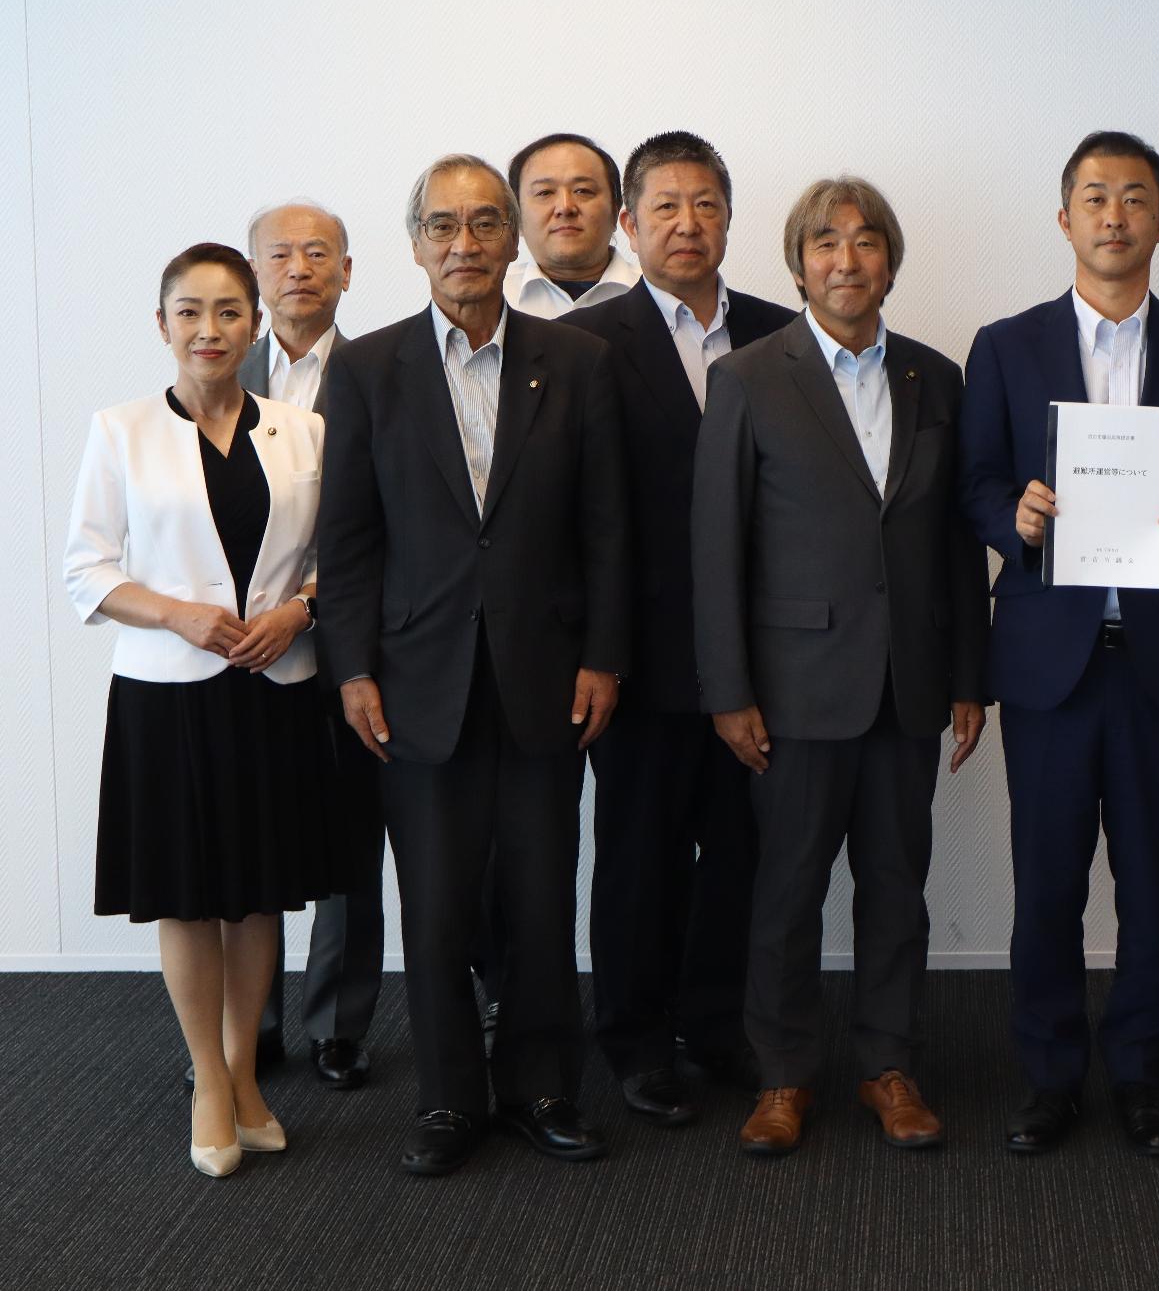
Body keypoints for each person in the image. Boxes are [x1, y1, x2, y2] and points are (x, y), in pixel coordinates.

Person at [317, 153, 632, 1176]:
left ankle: (543, 1088)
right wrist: (352, 671)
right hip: (415, 678)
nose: (465, 244)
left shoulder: (576, 361)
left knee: (541, 896)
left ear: (512, 239)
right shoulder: (367, 369)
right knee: (437, 902)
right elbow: (348, 540)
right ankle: (450, 1099)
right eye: (443, 226)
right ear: (416, 245)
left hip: (548, 672)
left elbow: (607, 528)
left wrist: (604, 655)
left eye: (486, 223)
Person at [958, 131, 1159, 1157]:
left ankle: (1142, 1067)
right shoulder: (1007, 345)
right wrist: (1014, 519)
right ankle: (1049, 1074)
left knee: (1158, 881)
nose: (1114, 215)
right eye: (1094, 196)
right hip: (1052, 662)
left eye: (1135, 198)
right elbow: (975, 481)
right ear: (1064, 218)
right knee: (1046, 881)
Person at [690, 175, 989, 1155]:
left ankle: (887, 1065)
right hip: (793, 689)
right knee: (785, 892)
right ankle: (782, 1074)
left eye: (865, 242)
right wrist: (728, 690)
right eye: (825, 243)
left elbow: (954, 542)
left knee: (897, 887)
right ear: (797, 265)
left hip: (908, 684)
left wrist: (968, 676)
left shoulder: (935, 377)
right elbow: (717, 546)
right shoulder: (747, 377)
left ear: (889, 263)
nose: (846, 260)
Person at [64, 242, 335, 1177]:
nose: (209, 329)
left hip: (272, 686)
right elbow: (86, 569)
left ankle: (247, 1072)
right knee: (185, 892)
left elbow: (336, 557)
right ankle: (209, 1081)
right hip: (166, 696)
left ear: (255, 324)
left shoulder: (303, 431)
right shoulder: (122, 429)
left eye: (228, 312)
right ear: (162, 323)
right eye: (189, 311)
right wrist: (176, 612)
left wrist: (301, 611)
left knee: (256, 891)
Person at [562, 131, 794, 1120]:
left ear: (730, 219)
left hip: (764, 654)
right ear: (629, 222)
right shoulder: (584, 344)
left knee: (743, 853)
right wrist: (597, 653)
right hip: (643, 657)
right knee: (639, 857)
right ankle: (633, 1037)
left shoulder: (783, 333)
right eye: (664, 206)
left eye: (705, 205)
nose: (686, 224)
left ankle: (717, 1024)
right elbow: (580, 515)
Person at [239, 199, 385, 1090]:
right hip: (240, 650)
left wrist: (307, 605)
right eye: (281, 254)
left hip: (348, 641)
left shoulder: (382, 372)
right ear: (256, 272)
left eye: (318, 253)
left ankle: (338, 1024)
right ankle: (248, 1024)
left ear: (347, 271)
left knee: (348, 838)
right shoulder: (219, 371)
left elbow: (389, 523)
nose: (299, 268)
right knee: (246, 837)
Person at [502, 132, 641, 317]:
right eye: (545, 193)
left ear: (615, 210)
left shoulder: (659, 294)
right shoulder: (493, 298)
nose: (565, 207)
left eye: (582, 191)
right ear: (517, 216)